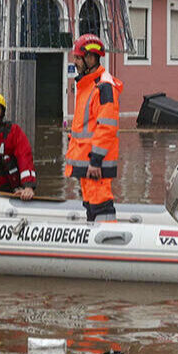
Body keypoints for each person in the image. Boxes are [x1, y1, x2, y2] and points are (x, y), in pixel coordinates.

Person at [64, 34, 123, 222]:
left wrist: (96, 160)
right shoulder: (87, 85)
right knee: (91, 205)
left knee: (101, 205)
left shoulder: (103, 87)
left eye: (77, 58)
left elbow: (107, 127)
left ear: (91, 58)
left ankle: (109, 244)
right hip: (87, 161)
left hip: (95, 164)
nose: (74, 62)